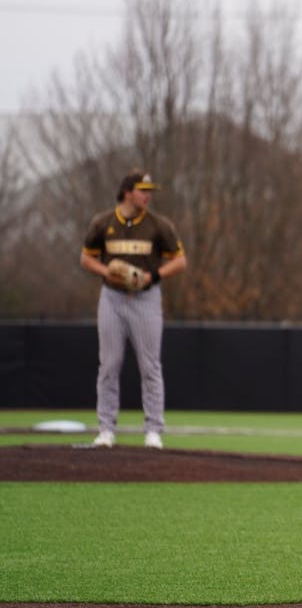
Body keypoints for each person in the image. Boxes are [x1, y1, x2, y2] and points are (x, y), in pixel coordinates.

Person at [80, 171, 187, 449]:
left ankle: (153, 430)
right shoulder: (103, 223)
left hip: (146, 298)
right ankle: (106, 430)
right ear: (128, 192)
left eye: (149, 190)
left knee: (150, 366)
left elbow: (180, 261)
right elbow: (85, 258)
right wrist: (107, 271)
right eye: (143, 189)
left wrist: (153, 276)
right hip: (112, 298)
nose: (147, 194)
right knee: (110, 364)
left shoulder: (158, 225)